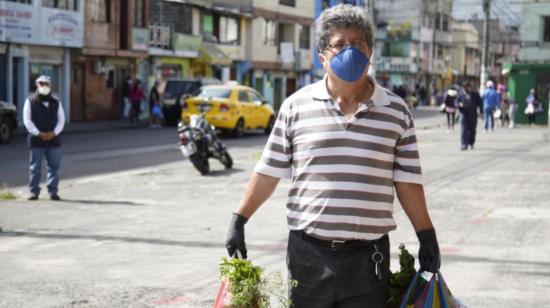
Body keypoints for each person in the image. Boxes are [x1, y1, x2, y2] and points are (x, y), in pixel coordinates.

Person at [225, 5, 440, 307]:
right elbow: (269, 171)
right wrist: (239, 219)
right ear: (322, 54)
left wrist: (426, 235)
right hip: (308, 255)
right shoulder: (296, 107)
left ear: (370, 51)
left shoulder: (396, 112)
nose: (349, 52)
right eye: (339, 45)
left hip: (369, 258)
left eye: (358, 44)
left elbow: (407, 182)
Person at [23, 75, 65, 201]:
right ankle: (33, 192)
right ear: (37, 85)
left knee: (54, 167)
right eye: (41, 83)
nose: (44, 86)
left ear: (51, 86)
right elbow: (27, 121)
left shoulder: (56, 102)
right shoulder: (30, 101)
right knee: (35, 168)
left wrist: (53, 133)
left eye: (46, 84)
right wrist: (39, 133)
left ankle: (53, 192)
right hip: (36, 140)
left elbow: (61, 120)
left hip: (54, 140)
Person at [457, 83, 482, 150]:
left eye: (470, 87)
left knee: (472, 130)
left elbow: (480, 102)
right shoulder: (461, 94)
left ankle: (471, 143)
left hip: (473, 114)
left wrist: (481, 111)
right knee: (463, 130)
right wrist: (459, 105)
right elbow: (456, 102)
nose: (469, 89)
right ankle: (463, 144)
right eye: (467, 87)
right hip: (463, 114)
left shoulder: (475, 94)